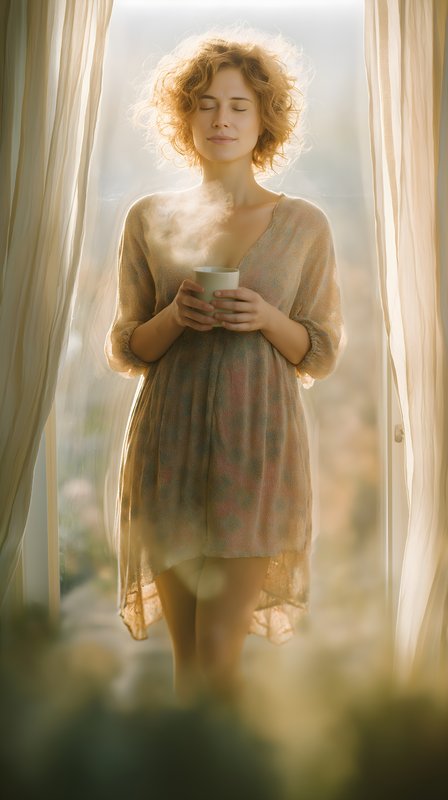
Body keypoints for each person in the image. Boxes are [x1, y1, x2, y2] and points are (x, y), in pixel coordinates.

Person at [104, 29, 345, 705]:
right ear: (183, 117)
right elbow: (127, 347)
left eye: (238, 106)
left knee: (219, 654)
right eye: (206, 104)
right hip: (169, 448)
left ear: (265, 119)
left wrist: (267, 318)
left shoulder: (305, 225)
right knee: (189, 667)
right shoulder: (148, 219)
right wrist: (175, 316)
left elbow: (320, 352)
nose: (222, 120)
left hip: (257, 453)